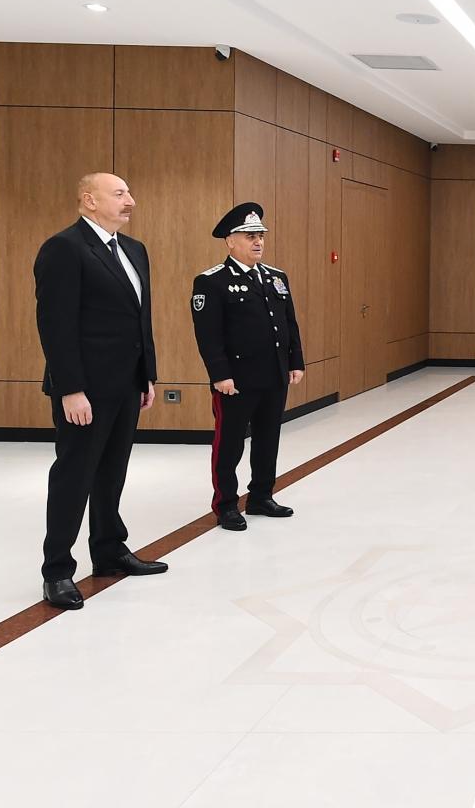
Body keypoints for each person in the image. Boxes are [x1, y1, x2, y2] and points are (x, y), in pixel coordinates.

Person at [36, 172, 167, 611]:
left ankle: (109, 550)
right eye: (120, 193)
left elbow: (141, 318)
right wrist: (70, 389)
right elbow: (55, 325)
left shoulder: (134, 249)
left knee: (112, 472)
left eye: (129, 192)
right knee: (74, 476)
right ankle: (57, 570)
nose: (131, 200)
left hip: (127, 384)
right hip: (85, 390)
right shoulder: (65, 248)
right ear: (89, 200)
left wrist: (147, 375)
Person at [191, 203, 305, 531]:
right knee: (229, 444)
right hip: (236, 380)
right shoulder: (212, 281)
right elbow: (208, 335)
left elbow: (289, 323)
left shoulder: (275, 277)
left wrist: (295, 361)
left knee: (268, 439)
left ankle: (261, 496)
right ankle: (226, 504)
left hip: (274, 375)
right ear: (230, 241)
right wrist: (220, 375)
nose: (258, 242)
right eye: (249, 236)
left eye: (260, 236)